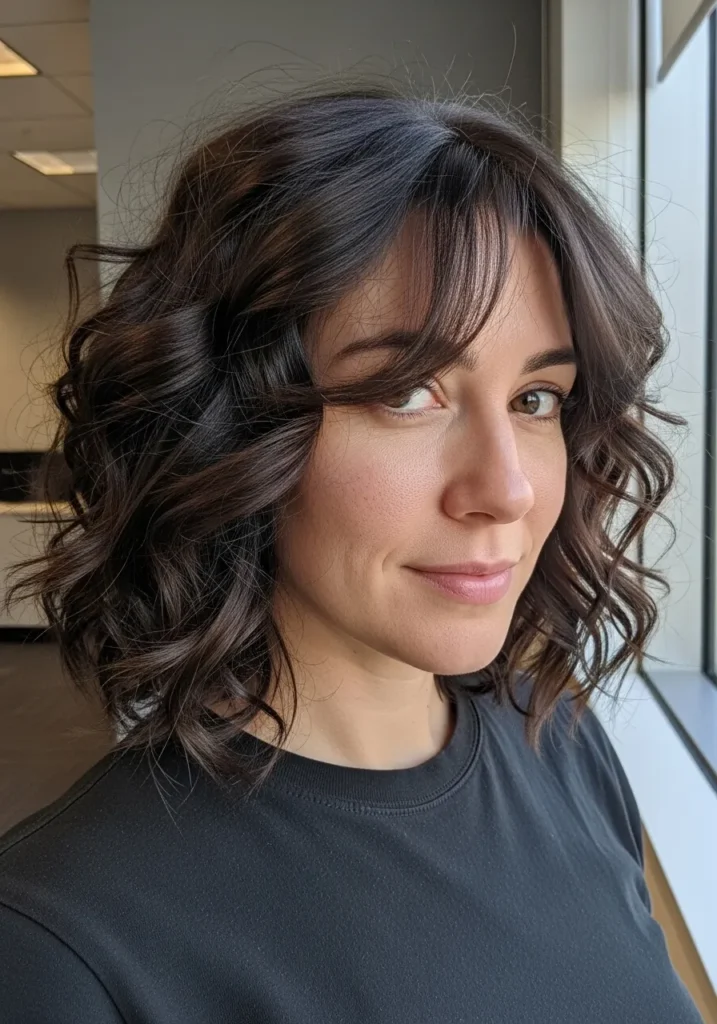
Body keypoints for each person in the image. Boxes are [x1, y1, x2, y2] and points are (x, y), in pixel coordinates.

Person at [0, 78, 704, 1023]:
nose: (507, 489)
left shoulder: (562, 747)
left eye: (535, 399)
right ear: (230, 429)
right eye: (405, 393)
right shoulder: (59, 940)